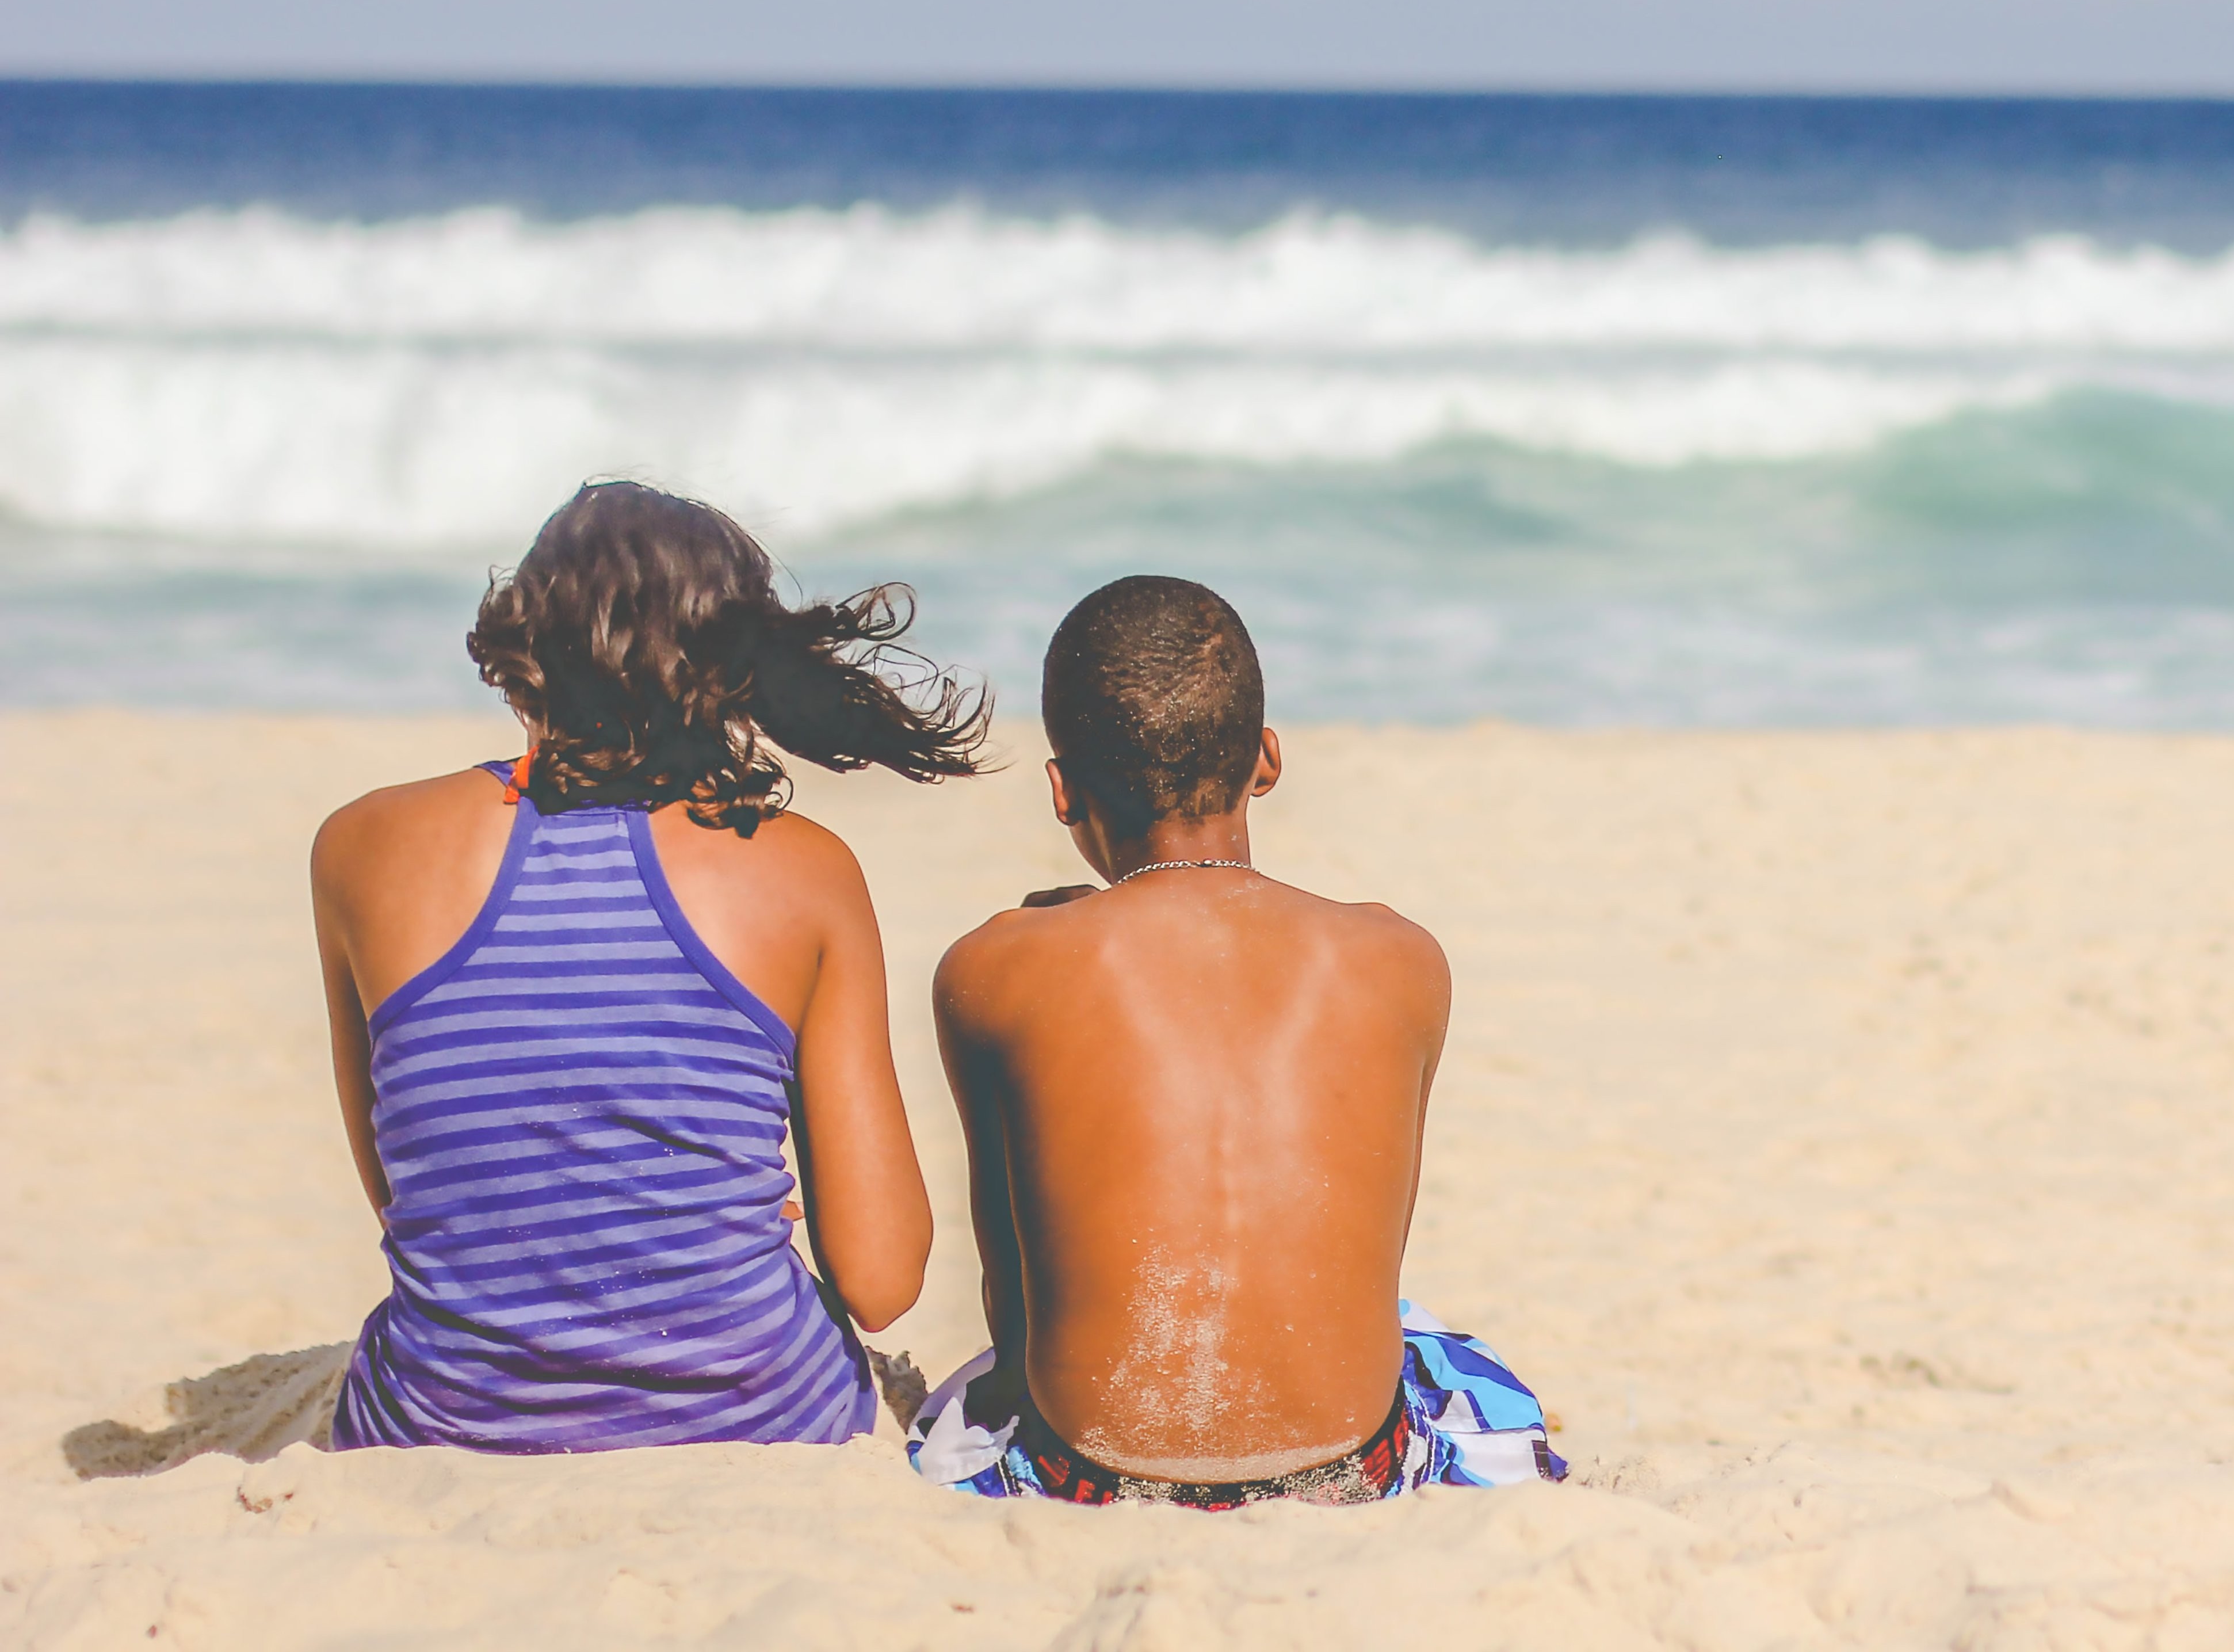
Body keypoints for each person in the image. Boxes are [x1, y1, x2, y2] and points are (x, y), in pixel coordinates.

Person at [313, 478, 987, 1451]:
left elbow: (414, 1192)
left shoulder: (360, 847)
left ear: (522, 653)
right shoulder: (802, 871)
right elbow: (881, 1285)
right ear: (736, 671)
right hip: (755, 1425)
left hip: (437, 1429)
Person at [908, 575, 1561, 1506]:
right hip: (1349, 1467)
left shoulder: (993, 968)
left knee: (954, 1414)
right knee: (1447, 1352)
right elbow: (1373, 1265)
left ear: (1061, 791)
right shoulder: (1399, 957)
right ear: (1267, 759)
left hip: (1089, 1473)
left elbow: (1013, 1301)